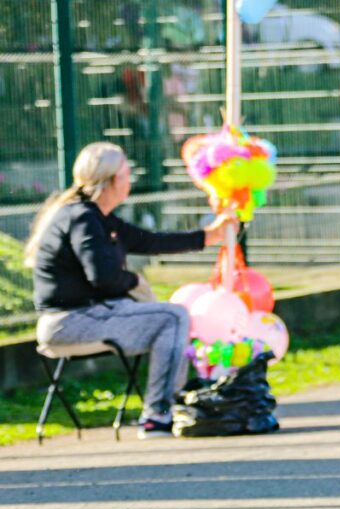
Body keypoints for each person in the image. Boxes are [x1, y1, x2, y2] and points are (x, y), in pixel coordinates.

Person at [25, 142, 237, 439]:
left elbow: (149, 241)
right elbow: (103, 278)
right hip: (70, 322)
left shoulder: (98, 217)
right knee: (173, 317)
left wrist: (207, 236)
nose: (130, 181)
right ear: (113, 180)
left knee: (170, 318)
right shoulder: (82, 218)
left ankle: (172, 404)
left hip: (89, 315)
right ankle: (157, 415)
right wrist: (134, 281)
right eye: (127, 174)